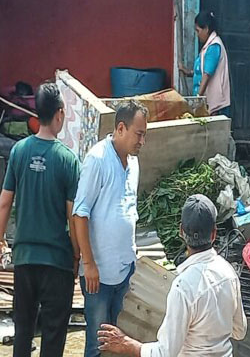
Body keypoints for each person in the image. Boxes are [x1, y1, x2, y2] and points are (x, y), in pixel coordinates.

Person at [97, 194, 246, 357]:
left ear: (181, 231)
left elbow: (165, 352)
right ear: (214, 234)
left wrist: (126, 344)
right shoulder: (228, 273)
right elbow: (240, 331)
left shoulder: (183, 286)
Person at [0, 82, 82, 357]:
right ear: (59, 113)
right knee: (53, 335)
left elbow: (5, 201)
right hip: (57, 261)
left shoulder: (19, 151)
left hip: (24, 259)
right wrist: (77, 254)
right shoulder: (68, 159)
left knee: (23, 330)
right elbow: (73, 215)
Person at [72, 100, 147, 357]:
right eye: (139, 134)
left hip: (125, 269)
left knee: (119, 343)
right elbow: (80, 214)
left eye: (144, 135)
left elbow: (128, 208)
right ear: (121, 128)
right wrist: (89, 264)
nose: (142, 141)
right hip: (98, 275)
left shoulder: (133, 163)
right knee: (98, 344)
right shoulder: (98, 159)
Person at [180, 12, 231, 117]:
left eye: (198, 30)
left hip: (214, 104)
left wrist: (197, 100)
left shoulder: (214, 47)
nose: (197, 34)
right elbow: (203, 69)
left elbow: (207, 74)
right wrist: (188, 72)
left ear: (206, 29)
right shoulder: (208, 46)